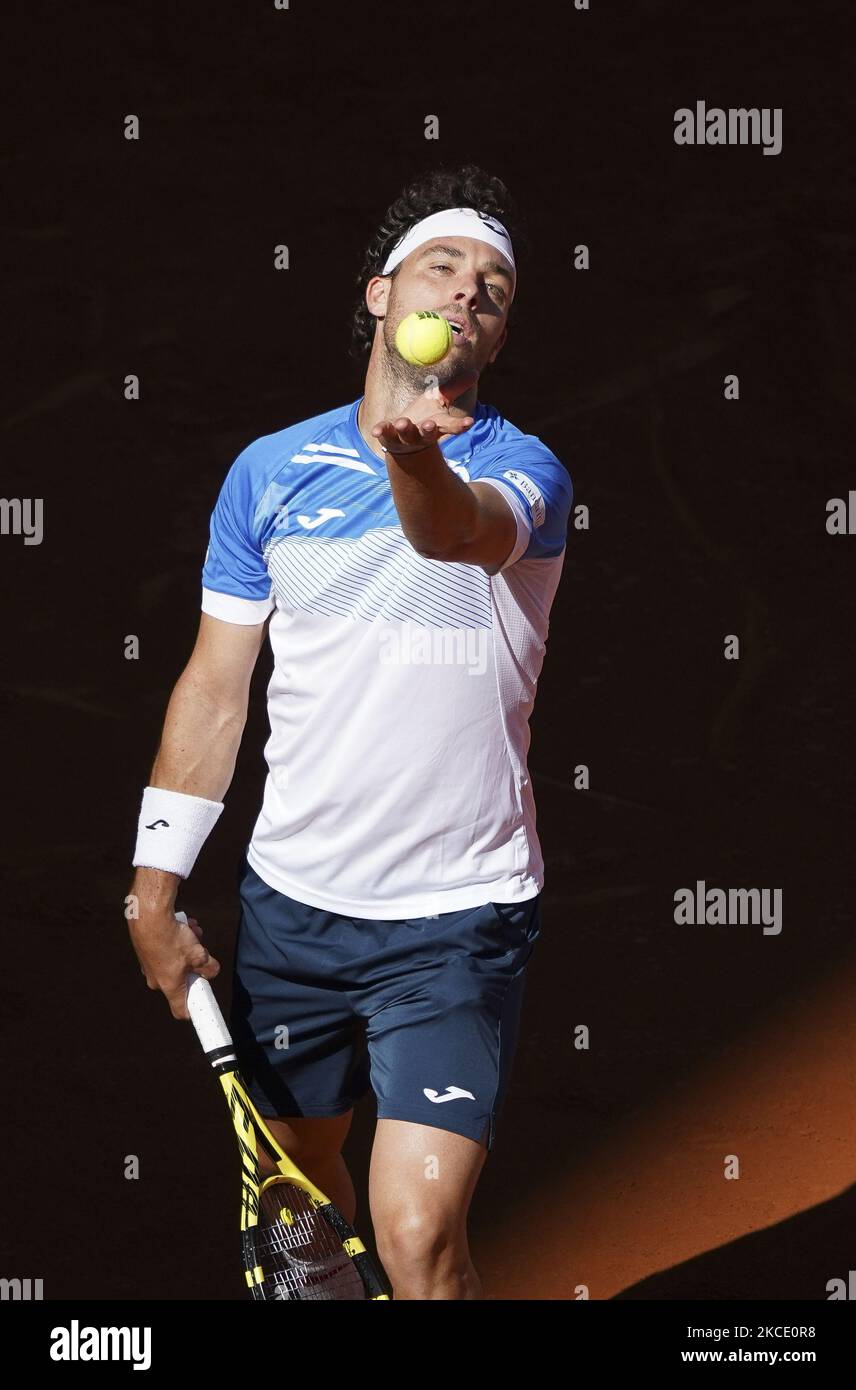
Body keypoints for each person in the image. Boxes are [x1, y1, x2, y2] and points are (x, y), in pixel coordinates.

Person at [127, 164, 573, 1300]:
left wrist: (412, 458)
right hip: (294, 914)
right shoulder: (268, 473)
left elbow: (456, 541)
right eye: (443, 267)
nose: (469, 291)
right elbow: (215, 689)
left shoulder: (520, 472)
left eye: (495, 287)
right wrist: (154, 886)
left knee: (418, 1240)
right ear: (380, 294)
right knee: (303, 1214)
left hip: (456, 918)